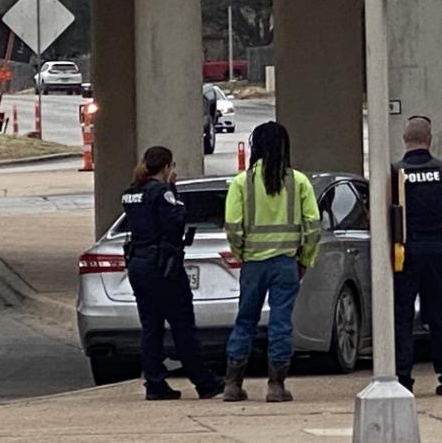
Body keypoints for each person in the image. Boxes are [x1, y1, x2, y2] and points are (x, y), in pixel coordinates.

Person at [223, 121, 320, 403]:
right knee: (281, 323)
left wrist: (241, 253)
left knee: (245, 321)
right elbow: (313, 225)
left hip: (253, 264)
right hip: (286, 264)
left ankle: (233, 383)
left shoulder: (242, 182)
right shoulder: (299, 181)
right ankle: (276, 385)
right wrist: (305, 259)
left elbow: (232, 225)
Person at [120, 146, 225, 401]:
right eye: (172, 167)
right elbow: (176, 221)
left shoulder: (131, 193)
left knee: (151, 326)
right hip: (163, 266)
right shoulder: (161, 192)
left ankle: (155, 383)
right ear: (166, 167)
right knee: (182, 325)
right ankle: (204, 382)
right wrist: (173, 191)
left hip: (138, 263)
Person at [394, 117, 442, 396]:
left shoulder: (395, 173)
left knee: (402, 317)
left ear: (405, 140)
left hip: (403, 253)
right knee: (441, 315)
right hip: (438, 251)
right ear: (430, 140)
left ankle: (402, 379)